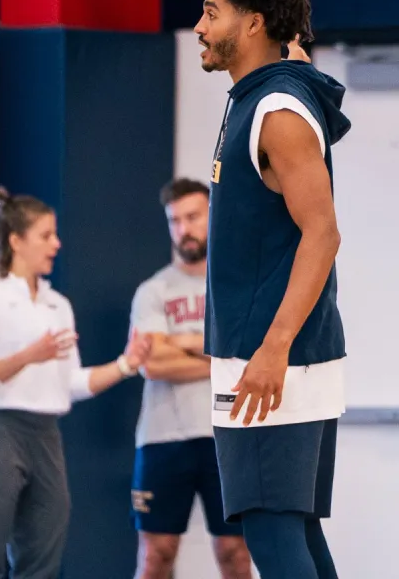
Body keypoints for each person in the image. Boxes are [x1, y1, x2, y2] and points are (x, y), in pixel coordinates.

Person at [194, 0, 350, 579]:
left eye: (212, 12)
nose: (200, 26)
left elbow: (323, 234)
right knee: (297, 539)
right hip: (280, 358)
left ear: (252, 23)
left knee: (272, 538)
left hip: (271, 362)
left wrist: (273, 348)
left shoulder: (276, 109)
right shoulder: (265, 94)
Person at [0, 187, 150, 579]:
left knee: (42, 563)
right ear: (15, 240)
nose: (56, 244)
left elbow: (71, 383)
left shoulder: (57, 305)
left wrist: (127, 364)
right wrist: (29, 355)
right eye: (46, 236)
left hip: (45, 436)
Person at [130, 178, 251, 579]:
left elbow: (248, 358)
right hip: (163, 437)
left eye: (193, 217)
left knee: (235, 551)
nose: (183, 228)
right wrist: (218, 356)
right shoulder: (153, 290)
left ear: (213, 215)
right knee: (156, 555)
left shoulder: (237, 286)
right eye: (174, 220)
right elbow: (153, 365)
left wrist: (179, 341)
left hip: (227, 436)